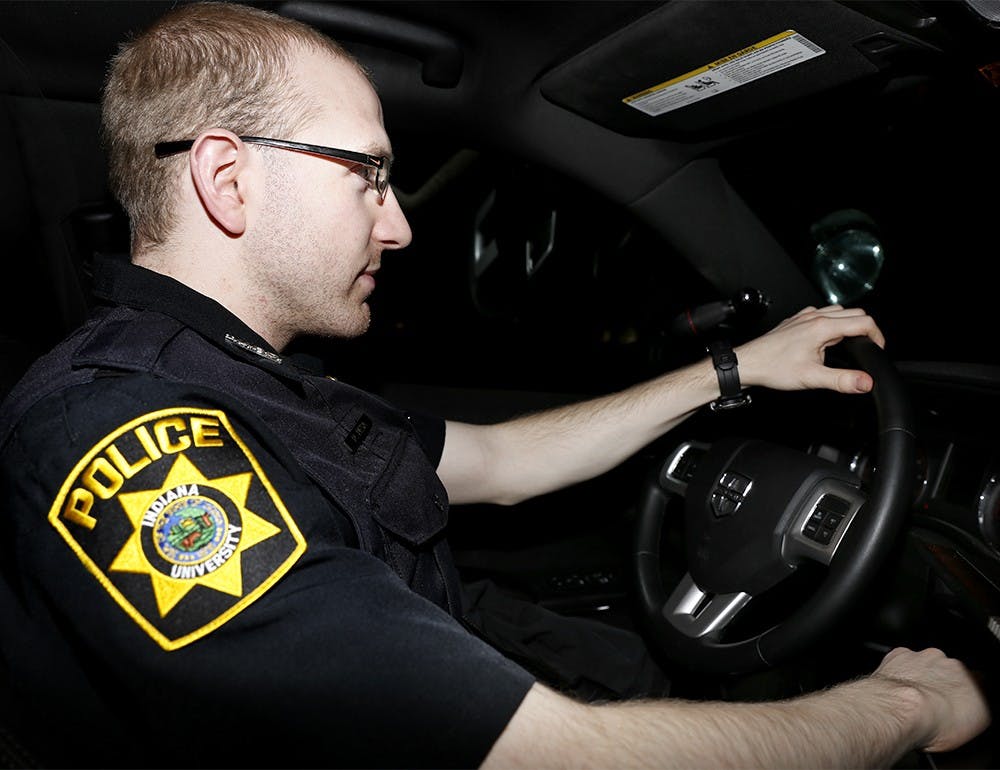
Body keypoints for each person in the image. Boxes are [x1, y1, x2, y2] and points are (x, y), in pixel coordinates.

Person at [0, 2, 989, 768]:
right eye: (367, 174)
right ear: (228, 179)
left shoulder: (260, 381)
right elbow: (552, 758)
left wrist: (731, 369)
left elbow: (502, 461)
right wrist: (908, 706)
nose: (399, 224)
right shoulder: (120, 431)